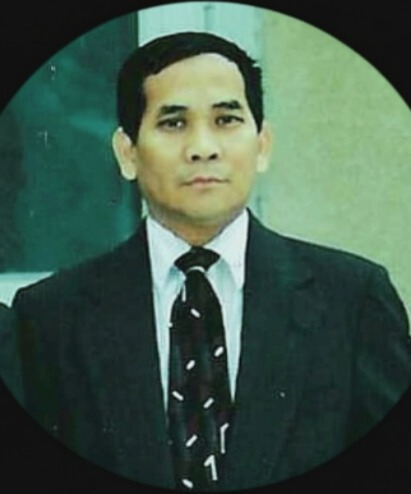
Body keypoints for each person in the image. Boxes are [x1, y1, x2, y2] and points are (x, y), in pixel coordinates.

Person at [11, 32, 411, 491]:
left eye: (226, 119)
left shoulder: (352, 300)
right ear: (127, 153)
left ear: (262, 145)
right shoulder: (50, 317)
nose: (203, 147)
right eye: (173, 123)